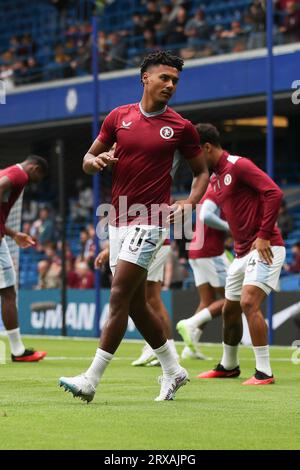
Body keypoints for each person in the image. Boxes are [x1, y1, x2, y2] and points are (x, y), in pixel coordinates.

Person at [59, 50, 209, 402]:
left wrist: (189, 203)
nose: (170, 85)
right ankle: (174, 370)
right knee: (138, 304)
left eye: (175, 81)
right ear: (145, 78)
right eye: (164, 78)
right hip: (118, 218)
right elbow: (86, 160)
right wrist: (96, 161)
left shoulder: (182, 128)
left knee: (118, 296)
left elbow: (202, 172)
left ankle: (91, 380)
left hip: (153, 218)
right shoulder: (118, 117)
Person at [194, 123, 285, 385]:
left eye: (194, 152)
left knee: (248, 303)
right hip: (242, 252)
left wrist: (264, 235)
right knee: (230, 310)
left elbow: (273, 192)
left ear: (207, 147)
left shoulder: (239, 165)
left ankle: (264, 372)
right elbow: (201, 204)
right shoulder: (213, 177)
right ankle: (229, 365)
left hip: (267, 247)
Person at [95, 239, 178, 368]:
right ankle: (166, 350)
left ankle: (167, 351)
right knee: (151, 298)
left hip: (148, 242)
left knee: (148, 299)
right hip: (149, 242)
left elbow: (132, 224)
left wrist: (111, 249)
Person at [0, 155, 48, 362]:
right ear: (34, 168)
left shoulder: (8, 171)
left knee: (7, 292)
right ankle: (18, 351)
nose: (35, 182)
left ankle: (18, 350)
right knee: (8, 292)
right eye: (39, 177)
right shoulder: (19, 175)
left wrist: (13, 234)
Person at [177, 183, 232, 360]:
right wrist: (230, 227)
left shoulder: (211, 189)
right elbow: (206, 215)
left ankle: (190, 348)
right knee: (231, 299)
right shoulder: (218, 189)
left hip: (196, 250)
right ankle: (190, 323)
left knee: (207, 301)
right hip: (210, 252)